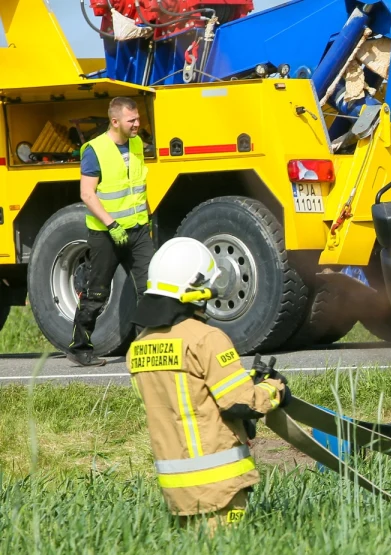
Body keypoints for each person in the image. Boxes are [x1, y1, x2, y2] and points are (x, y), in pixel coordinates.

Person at [128, 237, 289, 532]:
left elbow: (183, 400)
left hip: (177, 491)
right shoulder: (206, 338)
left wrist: (238, 383)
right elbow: (240, 403)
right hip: (220, 488)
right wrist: (273, 388)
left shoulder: (139, 346)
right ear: (196, 288)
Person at [69, 96, 156, 367]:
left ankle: (147, 348)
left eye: (138, 118)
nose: (137, 124)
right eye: (132, 120)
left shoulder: (137, 143)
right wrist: (112, 224)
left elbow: (137, 186)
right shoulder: (94, 150)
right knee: (96, 292)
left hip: (138, 230)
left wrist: (147, 219)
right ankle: (80, 347)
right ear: (115, 121)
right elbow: (87, 193)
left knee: (151, 288)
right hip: (106, 234)